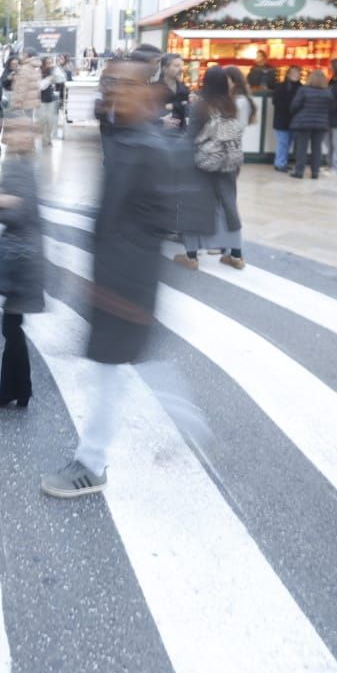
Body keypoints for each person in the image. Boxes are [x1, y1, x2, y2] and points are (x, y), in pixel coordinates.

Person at [43, 54, 172, 498]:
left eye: (121, 83)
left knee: (109, 376)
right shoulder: (126, 137)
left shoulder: (150, 149)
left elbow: (163, 223)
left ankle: (91, 463)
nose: (111, 89)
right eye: (106, 82)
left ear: (146, 91)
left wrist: (123, 289)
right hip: (114, 284)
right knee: (113, 373)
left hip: (125, 288)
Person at [0, 117, 44, 407]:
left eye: (23, 130)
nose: (15, 134)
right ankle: (19, 388)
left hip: (21, 257)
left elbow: (19, 211)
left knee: (12, 325)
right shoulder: (24, 163)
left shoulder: (18, 166)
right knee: (13, 323)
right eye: (13, 129)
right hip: (26, 253)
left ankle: (15, 389)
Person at [178, 66, 246, 269]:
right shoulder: (231, 105)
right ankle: (236, 255)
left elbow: (191, 137)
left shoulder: (200, 106)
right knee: (228, 207)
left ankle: (191, 257)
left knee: (194, 207)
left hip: (202, 164)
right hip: (227, 164)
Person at [289, 69, 334, 179]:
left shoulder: (303, 90)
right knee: (317, 148)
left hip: (303, 122)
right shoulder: (328, 92)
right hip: (321, 124)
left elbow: (294, 105)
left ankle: (299, 172)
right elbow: (331, 108)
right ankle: (315, 172)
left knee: (302, 148)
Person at [270, 66, 301, 172]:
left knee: (288, 143)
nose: (295, 75)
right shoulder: (280, 87)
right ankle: (279, 163)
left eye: (297, 73)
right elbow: (276, 102)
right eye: (293, 73)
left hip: (293, 120)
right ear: (288, 74)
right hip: (282, 119)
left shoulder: (301, 87)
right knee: (283, 142)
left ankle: (282, 162)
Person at [159, 52, 191, 130]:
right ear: (165, 69)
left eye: (181, 66)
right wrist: (181, 104)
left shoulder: (184, 89)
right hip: (161, 134)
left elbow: (188, 107)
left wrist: (173, 105)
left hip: (181, 134)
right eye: (176, 66)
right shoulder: (155, 89)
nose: (181, 69)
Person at [37, 57, 62, 143]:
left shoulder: (53, 72)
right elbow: (41, 87)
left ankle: (49, 138)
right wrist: (49, 79)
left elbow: (61, 79)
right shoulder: (39, 72)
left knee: (51, 121)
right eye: (47, 63)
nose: (49, 65)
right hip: (42, 100)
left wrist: (56, 69)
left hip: (51, 99)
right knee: (43, 120)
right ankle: (44, 138)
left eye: (51, 63)